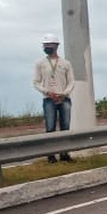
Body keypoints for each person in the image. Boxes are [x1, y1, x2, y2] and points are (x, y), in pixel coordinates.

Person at [33, 33, 74, 163]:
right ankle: (51, 155)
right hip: (48, 99)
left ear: (56, 46)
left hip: (63, 99)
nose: (47, 47)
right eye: (45, 45)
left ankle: (64, 154)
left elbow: (71, 81)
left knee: (65, 127)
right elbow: (36, 81)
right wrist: (46, 91)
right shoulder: (40, 63)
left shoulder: (65, 63)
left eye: (49, 45)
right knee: (50, 127)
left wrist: (64, 93)